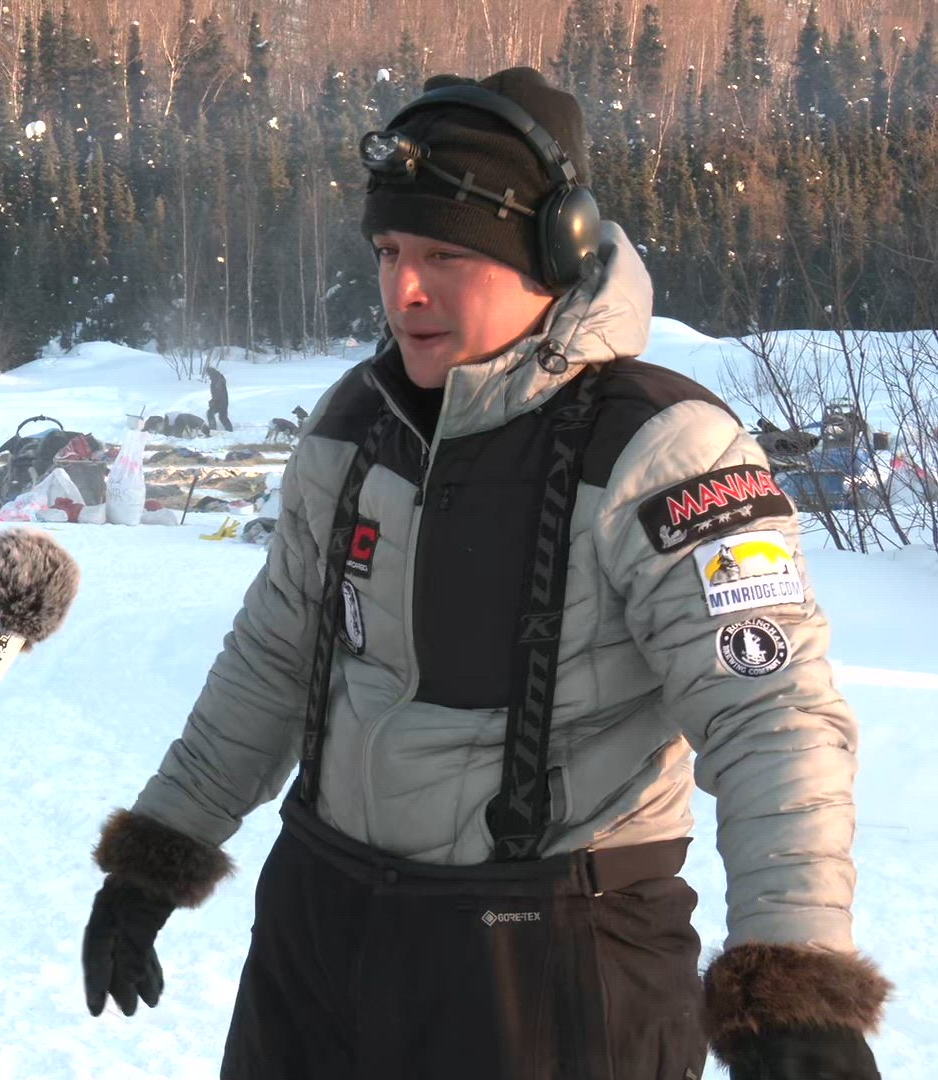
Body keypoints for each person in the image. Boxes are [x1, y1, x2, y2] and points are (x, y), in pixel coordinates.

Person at [80, 68, 888, 1080]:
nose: (404, 291)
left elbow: (770, 714)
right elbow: (275, 657)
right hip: (322, 933)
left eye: (445, 256)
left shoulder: (665, 450)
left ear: (556, 251)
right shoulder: (353, 426)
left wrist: (795, 982)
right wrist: (158, 853)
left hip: (550, 962)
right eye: (389, 252)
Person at [204, 364, 232, 432]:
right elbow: (216, 393)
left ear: (211, 373)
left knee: (210, 413)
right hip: (222, 401)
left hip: (220, 402)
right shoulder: (217, 378)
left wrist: (212, 401)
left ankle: (213, 429)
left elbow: (218, 393)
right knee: (222, 416)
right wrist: (212, 400)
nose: (208, 376)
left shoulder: (217, 380)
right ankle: (229, 429)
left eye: (208, 374)